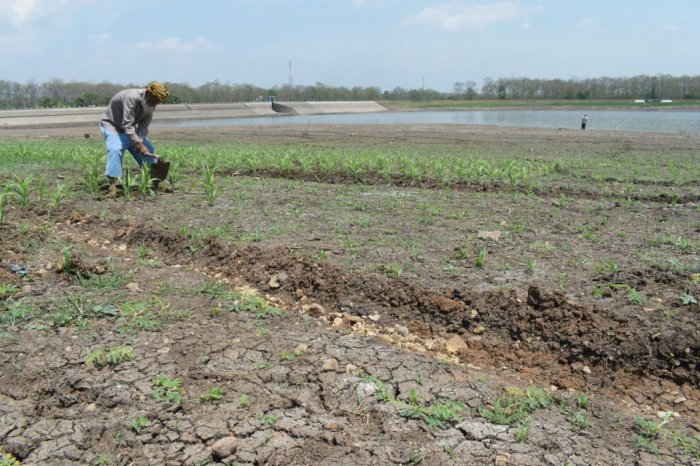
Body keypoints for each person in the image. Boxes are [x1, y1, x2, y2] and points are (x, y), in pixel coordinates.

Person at [100, 81, 170, 196]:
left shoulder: (150, 104)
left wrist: (141, 142)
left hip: (130, 130)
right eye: (155, 100)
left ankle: (153, 180)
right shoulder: (131, 97)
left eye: (158, 102)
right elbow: (127, 124)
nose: (155, 104)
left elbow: (144, 125)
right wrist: (138, 143)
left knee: (149, 149)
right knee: (116, 149)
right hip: (113, 126)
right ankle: (112, 185)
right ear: (148, 93)